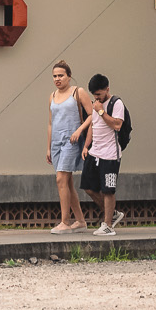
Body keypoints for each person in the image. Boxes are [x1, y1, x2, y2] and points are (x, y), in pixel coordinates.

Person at [45, 62, 93, 235]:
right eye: (54, 76)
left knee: (60, 180)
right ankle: (80, 221)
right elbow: (51, 123)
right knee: (67, 183)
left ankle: (65, 221)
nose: (57, 79)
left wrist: (79, 130)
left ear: (69, 76)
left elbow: (92, 115)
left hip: (71, 142)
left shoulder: (77, 92)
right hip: (56, 142)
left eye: (61, 75)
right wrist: (49, 147)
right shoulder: (52, 96)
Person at [79, 73, 128, 236]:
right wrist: (86, 146)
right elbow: (93, 125)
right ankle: (113, 214)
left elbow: (117, 125)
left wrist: (101, 111)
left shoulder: (116, 103)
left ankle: (108, 225)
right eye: (94, 95)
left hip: (110, 155)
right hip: (95, 152)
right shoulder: (96, 104)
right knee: (88, 187)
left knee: (108, 190)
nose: (97, 98)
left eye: (99, 94)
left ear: (107, 89)